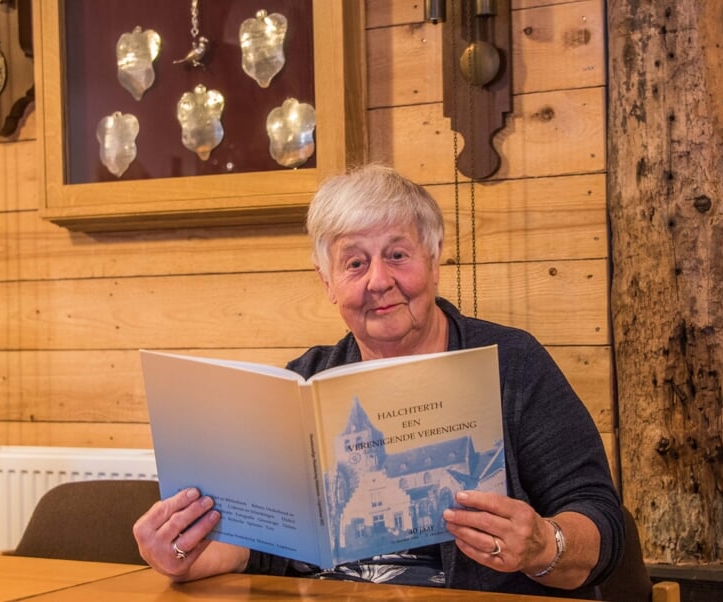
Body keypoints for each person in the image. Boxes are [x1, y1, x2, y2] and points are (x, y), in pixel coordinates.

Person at [133, 164, 623, 598]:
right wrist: (188, 552)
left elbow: (601, 522)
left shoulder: (511, 364)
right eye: (354, 262)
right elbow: (268, 550)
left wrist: (543, 544)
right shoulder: (302, 383)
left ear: (433, 261)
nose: (377, 281)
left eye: (397, 255)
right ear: (327, 283)